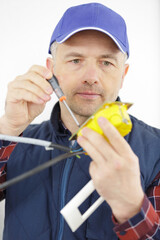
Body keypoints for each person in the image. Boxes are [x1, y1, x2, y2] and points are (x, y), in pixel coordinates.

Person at [0, 2, 160, 239]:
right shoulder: (16, 140)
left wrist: (132, 209)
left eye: (106, 62)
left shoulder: (156, 150)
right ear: (51, 70)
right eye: (75, 60)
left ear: (123, 74)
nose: (91, 77)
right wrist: (8, 128)